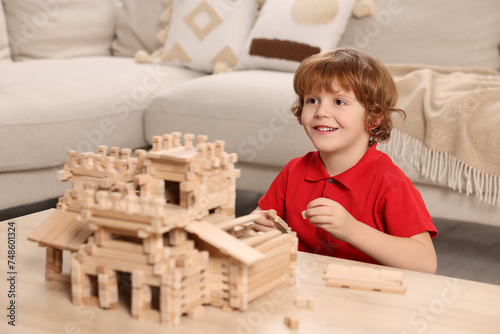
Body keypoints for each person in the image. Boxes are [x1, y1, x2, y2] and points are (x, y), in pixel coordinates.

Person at [254, 48, 437, 274]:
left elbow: (426, 263)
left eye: (339, 102)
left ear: (373, 117)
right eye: (312, 100)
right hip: (302, 289)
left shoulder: (390, 182)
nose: (321, 111)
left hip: (366, 298)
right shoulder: (293, 171)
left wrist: (351, 230)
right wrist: (262, 227)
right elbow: (260, 222)